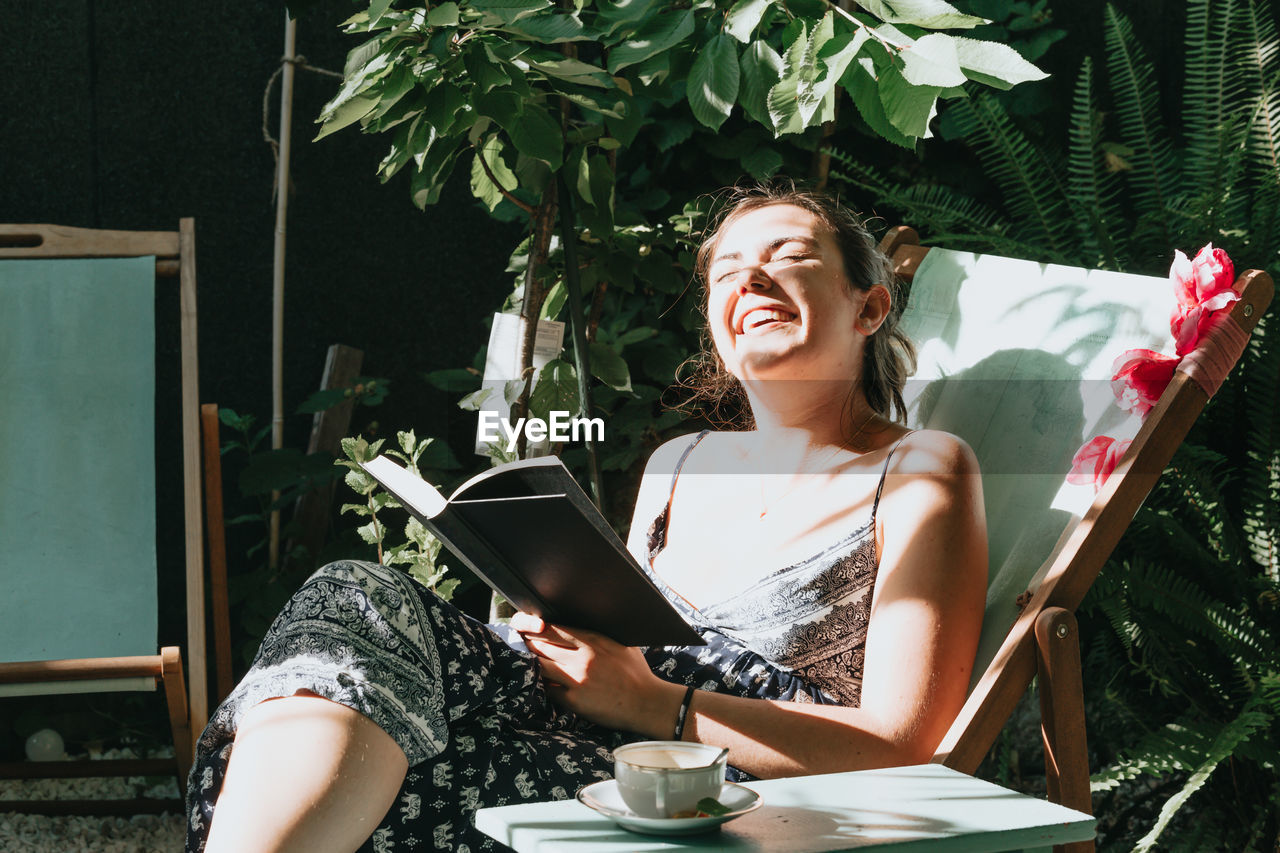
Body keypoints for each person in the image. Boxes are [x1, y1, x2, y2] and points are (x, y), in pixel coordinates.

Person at [187, 183, 988, 853]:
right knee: (355, 613)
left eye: (790, 258)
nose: (754, 281)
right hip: (596, 735)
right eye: (729, 273)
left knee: (396, 764)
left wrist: (650, 703)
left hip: (719, 780)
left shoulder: (922, 469)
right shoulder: (681, 463)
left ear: (871, 305)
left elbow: (903, 743)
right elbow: (621, 638)